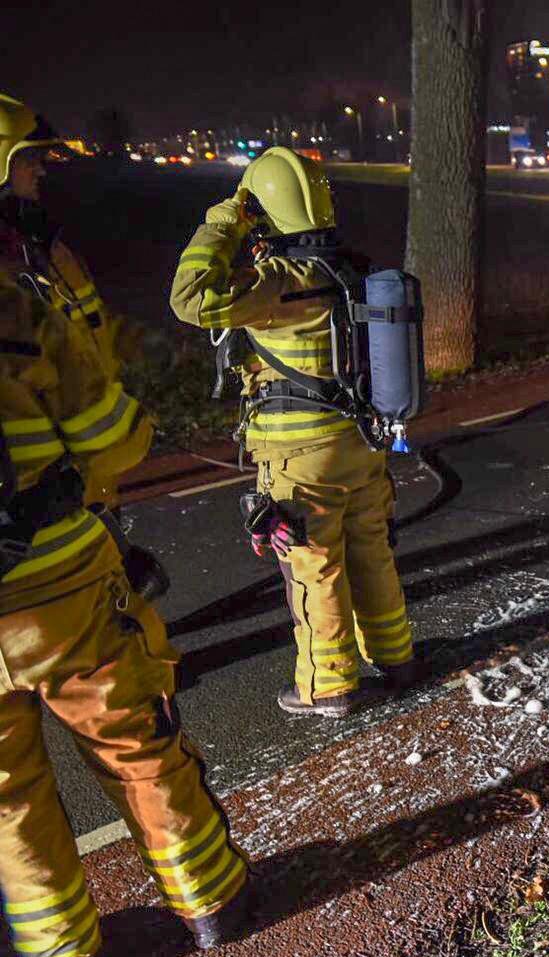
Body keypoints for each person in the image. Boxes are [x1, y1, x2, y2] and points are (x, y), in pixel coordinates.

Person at [1, 268, 250, 957]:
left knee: (7, 798)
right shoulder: (15, 305)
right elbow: (114, 440)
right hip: (63, 591)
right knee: (137, 746)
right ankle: (211, 902)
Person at [169, 147, 419, 717]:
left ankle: (327, 686)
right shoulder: (350, 270)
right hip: (362, 443)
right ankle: (397, 657)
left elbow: (190, 299)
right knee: (372, 555)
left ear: (266, 212)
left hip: (300, 458)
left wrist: (223, 223)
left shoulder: (277, 283)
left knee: (314, 569)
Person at [0, 92, 168, 600]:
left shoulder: (47, 251)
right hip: (38, 506)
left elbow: (88, 323)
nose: (41, 170)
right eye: (28, 159)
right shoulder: (11, 274)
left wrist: (143, 344)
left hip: (87, 478)